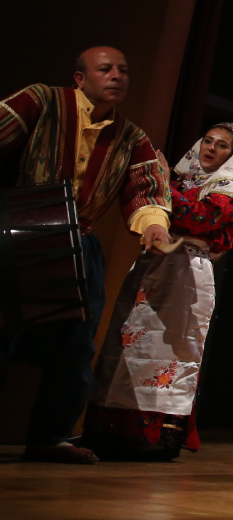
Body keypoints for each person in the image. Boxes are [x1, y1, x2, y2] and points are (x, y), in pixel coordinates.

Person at [0, 47, 171, 464]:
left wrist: (153, 225)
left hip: (79, 245)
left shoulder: (131, 137)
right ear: (80, 79)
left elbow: (147, 191)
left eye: (124, 70)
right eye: (105, 69)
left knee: (74, 347)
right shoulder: (41, 101)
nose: (117, 76)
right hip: (20, 238)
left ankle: (49, 436)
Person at [83, 123, 233, 461]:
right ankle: (112, 430)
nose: (211, 149)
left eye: (221, 146)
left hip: (185, 275)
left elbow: (201, 217)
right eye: (208, 141)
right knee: (129, 344)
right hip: (151, 269)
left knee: (169, 353)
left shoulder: (228, 189)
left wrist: (159, 188)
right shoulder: (178, 182)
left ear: (232, 156)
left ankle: (155, 436)